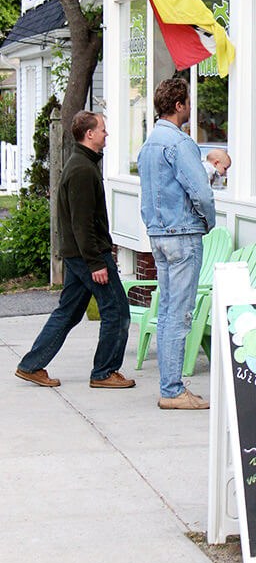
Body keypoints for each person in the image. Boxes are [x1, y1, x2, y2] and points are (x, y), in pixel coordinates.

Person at [16, 112, 135, 390]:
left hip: (79, 254)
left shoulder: (83, 164)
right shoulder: (81, 169)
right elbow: (81, 223)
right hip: (88, 255)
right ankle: (104, 372)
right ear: (89, 134)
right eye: (103, 129)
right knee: (117, 310)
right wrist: (96, 263)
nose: (107, 134)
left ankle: (31, 365)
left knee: (68, 312)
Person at [137, 78, 215, 410]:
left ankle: (170, 385)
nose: (189, 108)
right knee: (179, 313)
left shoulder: (149, 143)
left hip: (158, 235)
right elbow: (200, 192)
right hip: (183, 234)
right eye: (187, 102)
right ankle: (172, 390)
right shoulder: (179, 144)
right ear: (179, 105)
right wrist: (207, 221)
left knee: (168, 310)